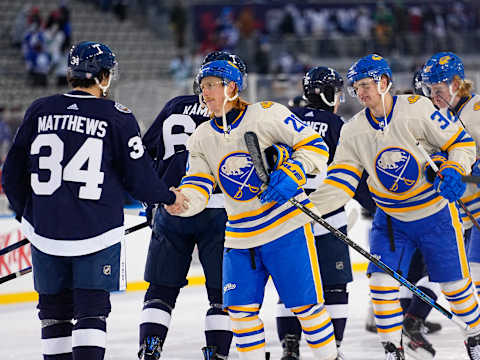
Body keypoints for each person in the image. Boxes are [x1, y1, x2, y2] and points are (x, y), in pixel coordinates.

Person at [1, 41, 186, 360]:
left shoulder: (39, 109)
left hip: (45, 235)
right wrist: (168, 197)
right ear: (102, 76)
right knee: (91, 314)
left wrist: (28, 216)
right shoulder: (117, 116)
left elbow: (11, 173)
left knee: (53, 315)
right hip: (97, 233)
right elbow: (139, 177)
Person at [309, 53, 480, 360]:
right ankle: (392, 348)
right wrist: (308, 207)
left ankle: (475, 336)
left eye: (365, 84)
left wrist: (455, 168)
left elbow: (461, 143)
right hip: (391, 221)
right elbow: (341, 181)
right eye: (355, 86)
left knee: (455, 286)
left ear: (384, 83)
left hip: (435, 215)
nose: (360, 92)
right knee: (381, 283)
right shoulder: (353, 130)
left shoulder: (418, 109)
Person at [167, 59, 339, 360]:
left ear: (231, 87)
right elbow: (198, 185)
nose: (203, 93)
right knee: (240, 314)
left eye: (210, 86)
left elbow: (315, 146)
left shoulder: (265, 115)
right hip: (240, 237)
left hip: (285, 228)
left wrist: (294, 171)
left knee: (306, 309)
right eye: (202, 87)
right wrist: (181, 202)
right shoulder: (202, 137)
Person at [137, 50, 246, 360]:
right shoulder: (236, 113)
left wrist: (155, 196)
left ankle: (150, 350)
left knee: (160, 291)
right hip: (222, 210)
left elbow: (145, 154)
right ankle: (215, 355)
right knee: (221, 296)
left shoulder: (175, 106)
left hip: (173, 208)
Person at [276, 67, 375, 360]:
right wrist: (378, 206)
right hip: (328, 219)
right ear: (326, 92)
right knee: (334, 286)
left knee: (290, 284)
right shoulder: (337, 124)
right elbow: (352, 175)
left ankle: (290, 345)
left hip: (287, 220)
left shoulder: (285, 121)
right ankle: (334, 349)